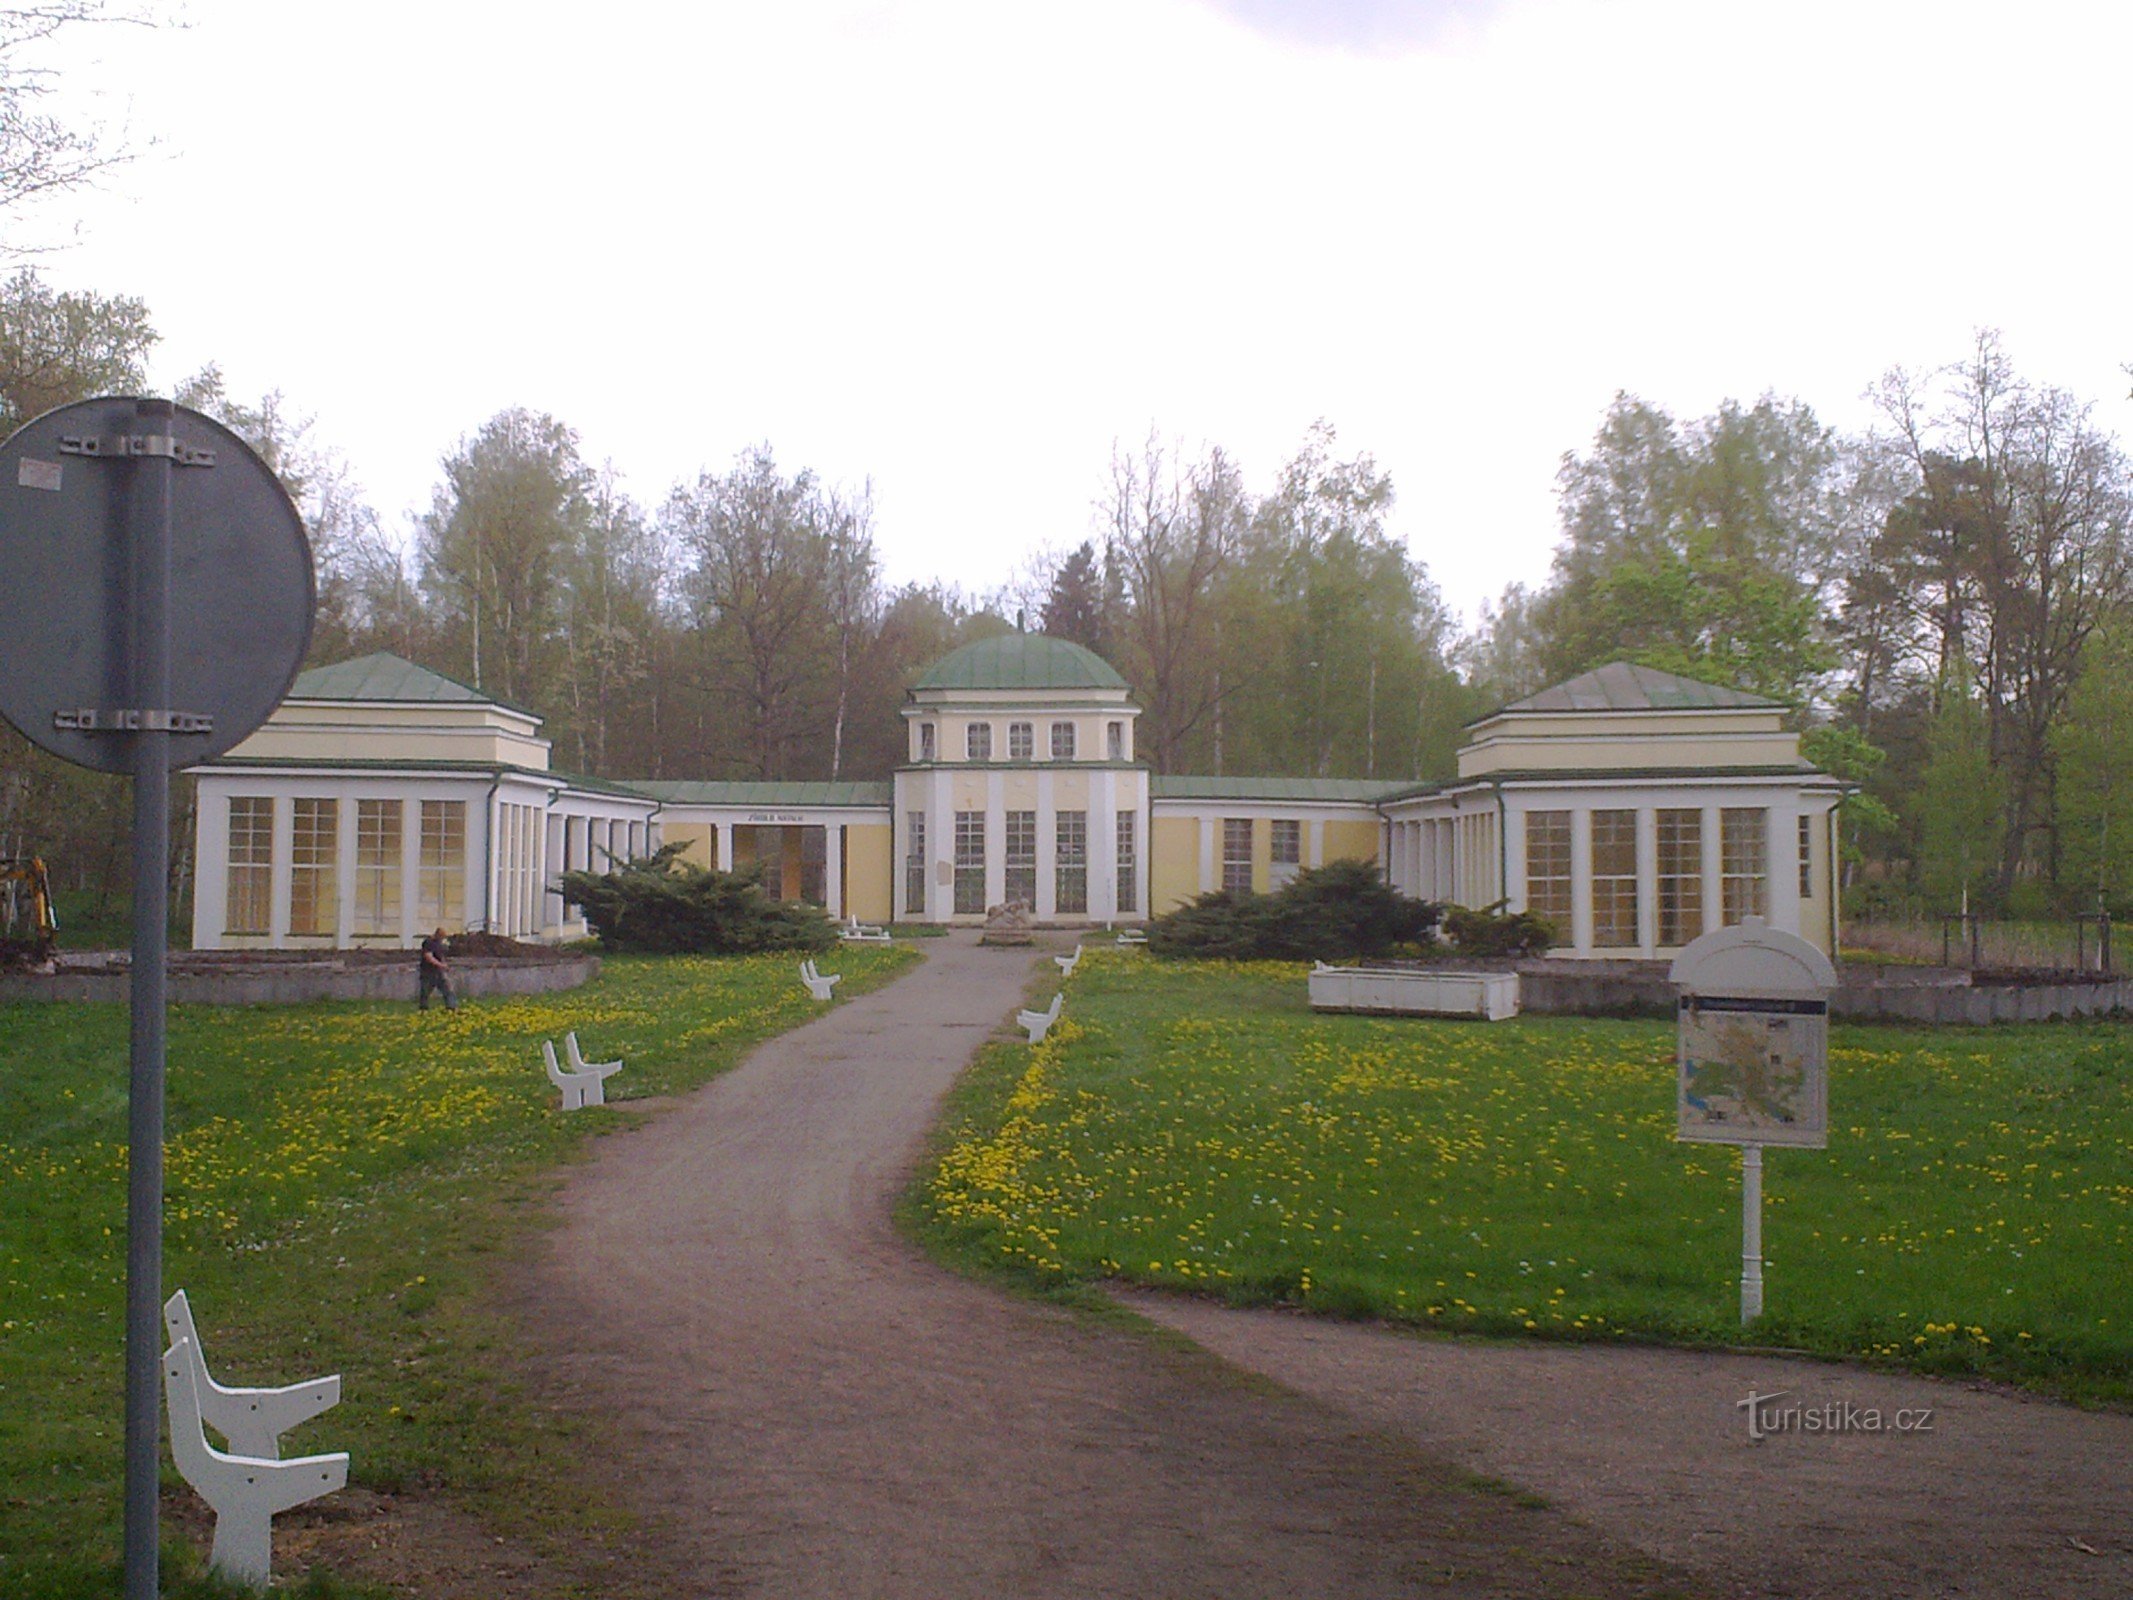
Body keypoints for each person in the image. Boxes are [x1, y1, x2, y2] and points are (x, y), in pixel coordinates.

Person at [418, 927, 458, 1011]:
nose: (443, 939)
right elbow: (428, 956)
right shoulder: (428, 943)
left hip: (438, 971)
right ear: (438, 935)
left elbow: (440, 956)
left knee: (448, 989)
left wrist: (444, 965)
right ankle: (423, 1009)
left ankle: (451, 1007)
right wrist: (441, 965)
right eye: (442, 937)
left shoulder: (439, 944)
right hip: (428, 971)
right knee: (425, 992)